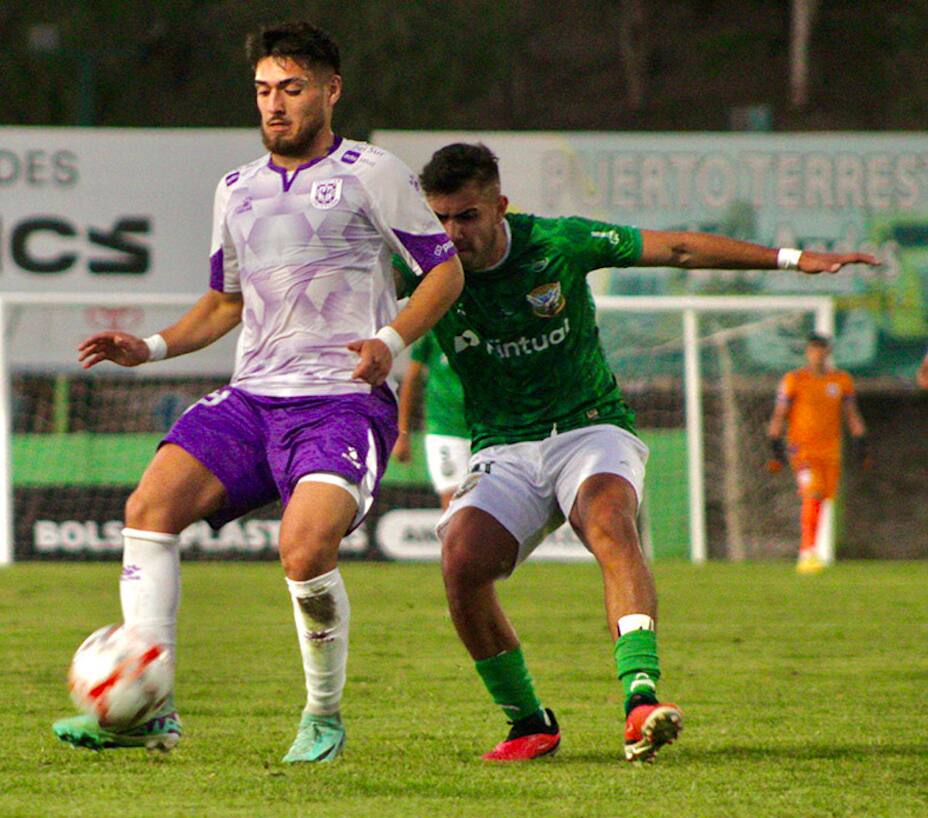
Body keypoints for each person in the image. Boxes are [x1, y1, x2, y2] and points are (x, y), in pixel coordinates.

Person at [52, 22, 463, 762]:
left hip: (340, 401)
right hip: (253, 398)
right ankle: (153, 708)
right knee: (148, 509)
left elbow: (445, 272)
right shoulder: (236, 188)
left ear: (331, 92)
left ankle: (324, 717)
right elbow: (224, 305)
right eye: (264, 91)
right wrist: (145, 348)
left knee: (303, 551)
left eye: (292, 89)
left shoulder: (374, 173)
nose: (274, 106)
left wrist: (391, 342)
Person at [394, 143, 879, 763]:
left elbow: (676, 247)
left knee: (609, 523)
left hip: (590, 427)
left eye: (466, 216)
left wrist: (792, 259)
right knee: (460, 561)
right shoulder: (423, 268)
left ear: (500, 208)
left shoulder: (559, 243)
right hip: (504, 446)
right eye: (440, 219)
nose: (453, 233)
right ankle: (528, 723)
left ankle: (640, 699)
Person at [766, 334, 869, 574]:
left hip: (830, 451)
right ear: (807, 352)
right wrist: (774, 445)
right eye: (814, 349)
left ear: (828, 352)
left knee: (821, 498)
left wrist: (862, 443)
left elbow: (851, 414)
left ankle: (811, 550)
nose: (818, 354)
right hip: (801, 450)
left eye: (822, 349)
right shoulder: (794, 379)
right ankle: (807, 553)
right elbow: (780, 414)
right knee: (812, 493)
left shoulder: (841, 380)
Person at [393, 332, 469, 507]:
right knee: (454, 504)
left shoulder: (490, 322)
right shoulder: (434, 328)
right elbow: (411, 380)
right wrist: (402, 434)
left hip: (490, 429)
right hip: (445, 428)